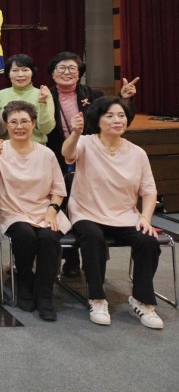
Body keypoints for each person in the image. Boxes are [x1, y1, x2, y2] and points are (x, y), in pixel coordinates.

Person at [62, 97, 163, 329]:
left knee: (148, 241)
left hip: (124, 214)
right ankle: (97, 299)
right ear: (97, 120)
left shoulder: (137, 153)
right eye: (110, 116)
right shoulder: (85, 142)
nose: (117, 120)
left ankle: (142, 300)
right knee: (93, 237)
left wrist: (145, 218)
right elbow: (67, 153)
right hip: (87, 212)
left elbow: (149, 191)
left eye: (121, 115)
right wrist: (75, 133)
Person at [45, 51, 138, 278]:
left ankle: (95, 260)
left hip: (92, 156)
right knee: (64, 207)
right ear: (53, 73)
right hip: (57, 157)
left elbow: (116, 117)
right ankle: (70, 259)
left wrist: (124, 98)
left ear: (79, 74)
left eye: (72, 68)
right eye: (61, 68)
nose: (67, 72)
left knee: (95, 207)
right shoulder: (45, 96)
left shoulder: (94, 95)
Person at [0, 101, 66, 321]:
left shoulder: (46, 153)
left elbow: (58, 190)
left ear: (33, 124)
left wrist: (51, 212)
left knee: (49, 238)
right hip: (12, 210)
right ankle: (25, 283)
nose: (19, 126)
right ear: (6, 125)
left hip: (43, 209)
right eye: (13, 122)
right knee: (25, 235)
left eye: (24, 121)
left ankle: (45, 294)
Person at [0, 54, 55, 145]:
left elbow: (46, 129)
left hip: (36, 148)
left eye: (25, 70)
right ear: (8, 73)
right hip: (6, 148)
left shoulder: (43, 94)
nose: (20, 74)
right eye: (15, 70)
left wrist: (42, 103)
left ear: (32, 72)